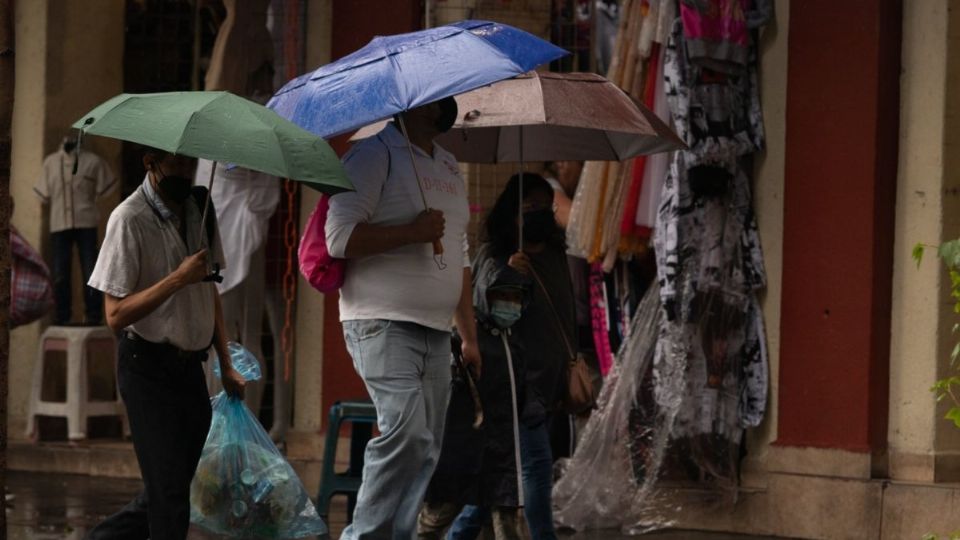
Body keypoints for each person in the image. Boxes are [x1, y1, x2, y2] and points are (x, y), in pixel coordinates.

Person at [325, 97, 481, 540]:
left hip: (436, 329)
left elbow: (460, 254)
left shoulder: (448, 165)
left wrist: (467, 335)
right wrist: (412, 232)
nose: (450, 105)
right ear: (413, 106)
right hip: (381, 320)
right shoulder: (372, 155)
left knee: (426, 449)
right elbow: (338, 238)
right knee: (407, 435)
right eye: (439, 99)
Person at [85, 149, 246, 540]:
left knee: (171, 488)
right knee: (170, 494)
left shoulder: (200, 209)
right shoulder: (128, 219)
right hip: (147, 368)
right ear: (150, 162)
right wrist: (177, 278)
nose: (185, 172)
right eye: (175, 164)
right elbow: (115, 315)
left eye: (191, 164)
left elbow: (212, 294)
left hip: (190, 368)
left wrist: (226, 363)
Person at [448, 174, 575, 540]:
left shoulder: (555, 255)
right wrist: (509, 276)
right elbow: (489, 313)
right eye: (529, 208)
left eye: (544, 207)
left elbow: (564, 314)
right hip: (513, 381)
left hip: (548, 380)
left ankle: (456, 535)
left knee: (498, 478)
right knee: (535, 466)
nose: (538, 215)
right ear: (512, 213)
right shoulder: (495, 255)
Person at [418, 243, 530, 540]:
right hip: (462, 448)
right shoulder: (464, 342)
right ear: (483, 295)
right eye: (501, 296)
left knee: (505, 519)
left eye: (514, 297)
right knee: (438, 516)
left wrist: (533, 407)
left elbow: (520, 388)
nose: (509, 304)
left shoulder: (511, 342)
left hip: (500, 450)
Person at [34, 137, 117, 325]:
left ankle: (93, 315)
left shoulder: (93, 162)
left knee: (91, 271)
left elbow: (107, 185)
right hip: (59, 224)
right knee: (60, 272)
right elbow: (43, 194)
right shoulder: (50, 163)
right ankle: (63, 316)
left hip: (86, 222)